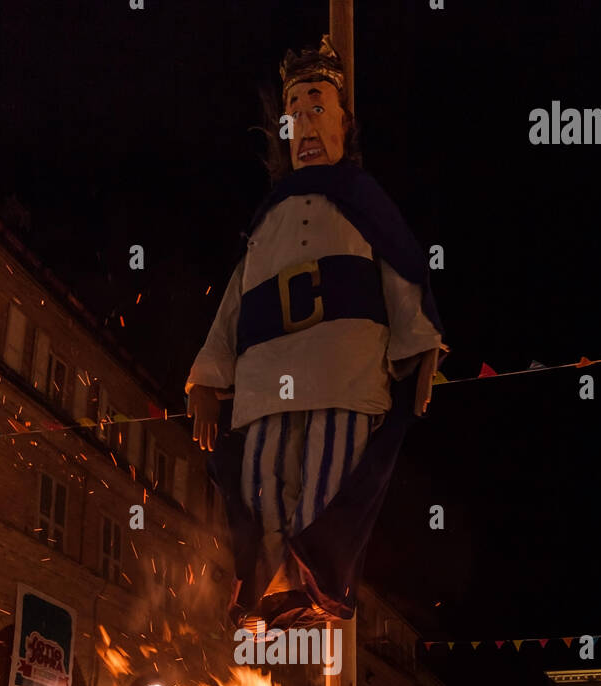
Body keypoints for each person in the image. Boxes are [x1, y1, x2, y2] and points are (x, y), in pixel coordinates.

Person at [186, 35, 445, 629]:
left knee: (328, 480)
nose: (304, 123)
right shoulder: (267, 218)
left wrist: (423, 343)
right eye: (294, 113)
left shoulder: (363, 201)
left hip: (341, 371)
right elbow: (233, 300)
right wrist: (207, 375)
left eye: (317, 109)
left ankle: (312, 580)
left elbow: (402, 269)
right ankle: (265, 582)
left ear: (343, 124)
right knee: (261, 486)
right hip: (264, 378)